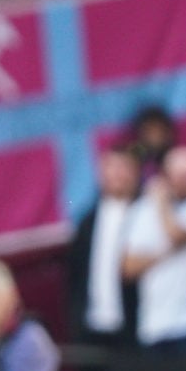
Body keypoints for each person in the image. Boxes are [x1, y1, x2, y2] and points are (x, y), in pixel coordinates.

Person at [122, 145, 186, 355]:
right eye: (182, 176)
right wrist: (166, 252)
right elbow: (128, 267)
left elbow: (176, 234)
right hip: (153, 326)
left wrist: (162, 203)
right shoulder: (143, 210)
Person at [66, 145, 140, 350]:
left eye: (123, 168)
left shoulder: (144, 212)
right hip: (91, 327)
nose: (116, 174)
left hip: (134, 327)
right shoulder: (87, 222)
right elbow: (75, 275)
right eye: (110, 168)